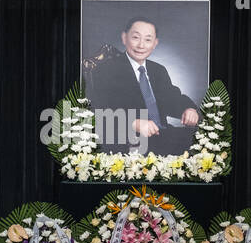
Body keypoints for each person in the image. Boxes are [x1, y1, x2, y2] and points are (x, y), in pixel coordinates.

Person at [85, 18, 200, 155]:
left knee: (206, 141)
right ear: (124, 38)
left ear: (154, 43)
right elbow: (97, 112)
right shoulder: (106, 70)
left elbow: (173, 98)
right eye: (135, 37)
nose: (141, 45)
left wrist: (189, 109)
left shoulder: (158, 70)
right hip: (129, 141)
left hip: (163, 135)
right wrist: (133, 124)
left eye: (147, 40)